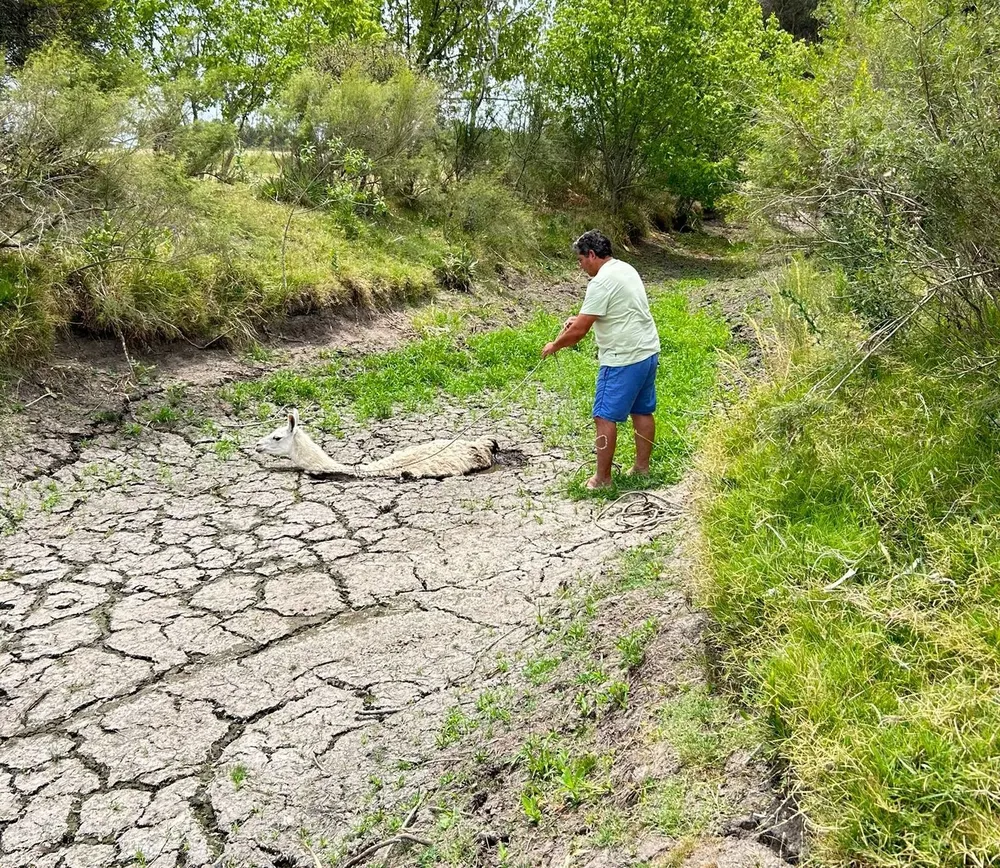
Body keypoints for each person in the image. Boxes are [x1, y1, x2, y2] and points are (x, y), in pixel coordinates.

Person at [542, 229, 660, 490]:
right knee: (642, 411)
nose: (580, 265)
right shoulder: (625, 269)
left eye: (581, 259)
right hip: (647, 352)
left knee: (603, 417)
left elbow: (579, 332)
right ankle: (642, 469)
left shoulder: (601, 282)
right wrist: (581, 318)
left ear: (592, 255)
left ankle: (602, 480)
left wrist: (555, 345)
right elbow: (615, 308)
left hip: (622, 359)